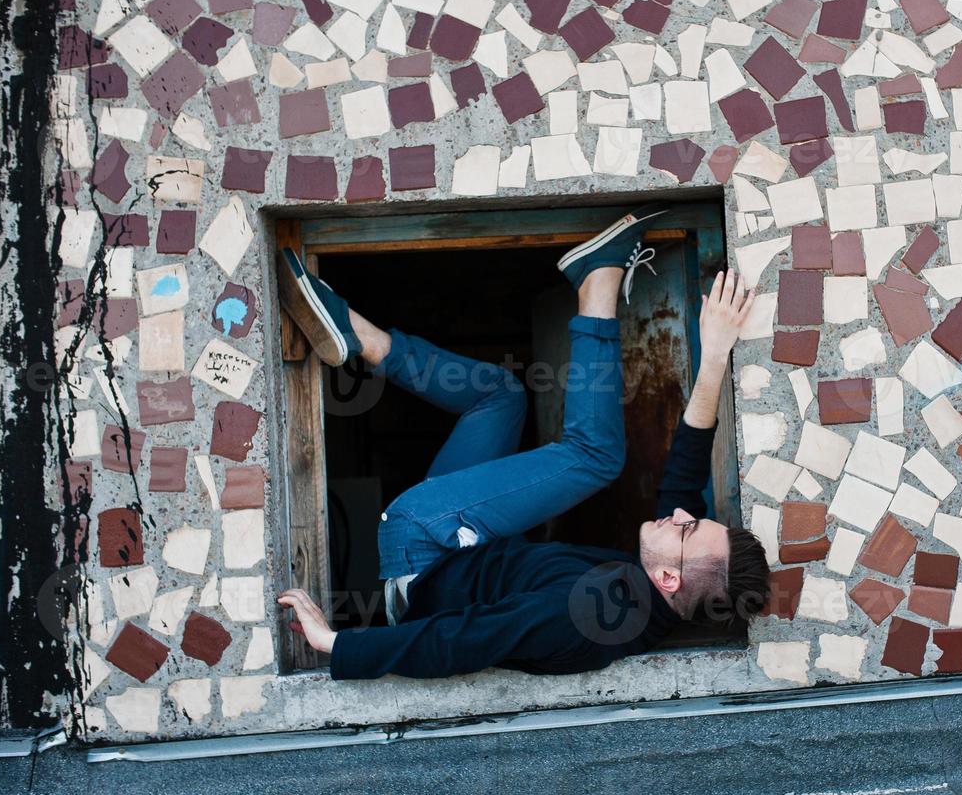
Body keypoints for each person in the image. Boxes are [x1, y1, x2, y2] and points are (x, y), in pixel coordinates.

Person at [275, 205, 771, 680]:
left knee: (596, 455)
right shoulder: (665, 590)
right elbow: (684, 476)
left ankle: (598, 280)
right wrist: (714, 356)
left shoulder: (585, 618)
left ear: (669, 580)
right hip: (457, 547)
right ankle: (357, 334)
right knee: (500, 395)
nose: (683, 514)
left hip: (424, 545)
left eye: (687, 531)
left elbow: (465, 640)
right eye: (695, 520)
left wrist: (336, 643)